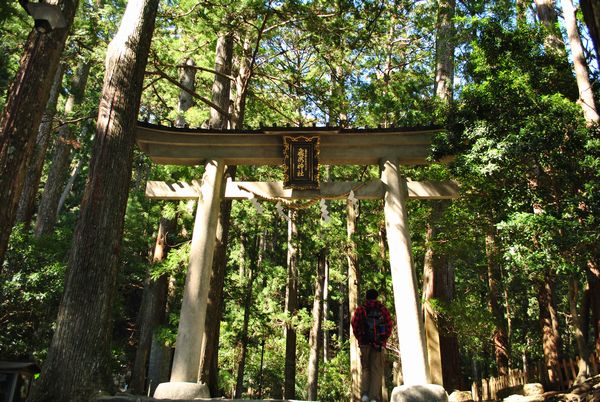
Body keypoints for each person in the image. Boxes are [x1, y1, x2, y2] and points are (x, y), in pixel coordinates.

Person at [351, 288, 394, 402]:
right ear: (376, 297)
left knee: (366, 368)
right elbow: (389, 326)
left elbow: (355, 325)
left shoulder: (361, 309)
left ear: (366, 297)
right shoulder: (382, 309)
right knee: (376, 370)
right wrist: (382, 340)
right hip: (378, 345)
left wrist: (361, 339)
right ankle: (373, 398)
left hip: (364, 344)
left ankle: (365, 395)